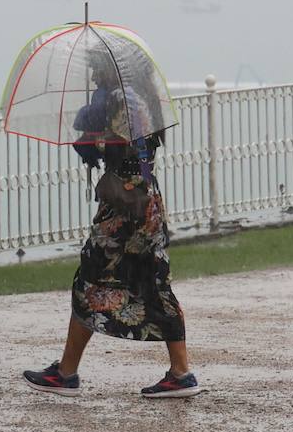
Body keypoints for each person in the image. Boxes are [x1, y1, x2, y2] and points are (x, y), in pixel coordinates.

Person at [23, 50, 201, 398]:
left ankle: (66, 374)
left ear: (110, 72)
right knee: (153, 282)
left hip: (124, 210)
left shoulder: (119, 98)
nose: (91, 77)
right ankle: (180, 373)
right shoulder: (143, 97)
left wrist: (90, 134)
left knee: (91, 281)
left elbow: (104, 139)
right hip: (146, 202)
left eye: (94, 70)